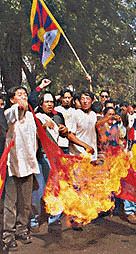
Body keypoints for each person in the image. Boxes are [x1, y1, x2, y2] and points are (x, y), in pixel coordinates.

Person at [31, 92, 94, 233]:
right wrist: (40, 128)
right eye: (46, 101)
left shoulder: (57, 117)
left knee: (57, 189)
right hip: (40, 158)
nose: (49, 104)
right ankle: (34, 220)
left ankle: (53, 221)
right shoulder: (35, 118)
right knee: (39, 191)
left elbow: (67, 134)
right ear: (40, 104)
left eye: (51, 101)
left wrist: (85, 145)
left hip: (55, 159)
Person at [2, 86, 40, 251]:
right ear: (12, 100)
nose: (23, 97)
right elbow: (17, 110)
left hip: (29, 164)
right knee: (11, 203)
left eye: (25, 94)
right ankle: (8, 236)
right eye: (19, 95)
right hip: (13, 165)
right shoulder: (9, 113)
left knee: (25, 203)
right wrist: (26, 99)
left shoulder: (31, 116)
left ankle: (22, 230)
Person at [69, 91, 98, 161]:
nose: (85, 101)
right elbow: (70, 135)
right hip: (78, 156)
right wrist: (85, 146)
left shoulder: (93, 115)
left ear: (92, 101)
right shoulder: (75, 114)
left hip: (92, 156)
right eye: (82, 99)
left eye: (87, 99)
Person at [54, 89, 77, 154]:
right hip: (59, 143)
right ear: (61, 98)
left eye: (69, 98)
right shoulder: (56, 110)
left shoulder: (74, 111)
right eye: (65, 97)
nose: (67, 100)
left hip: (71, 144)